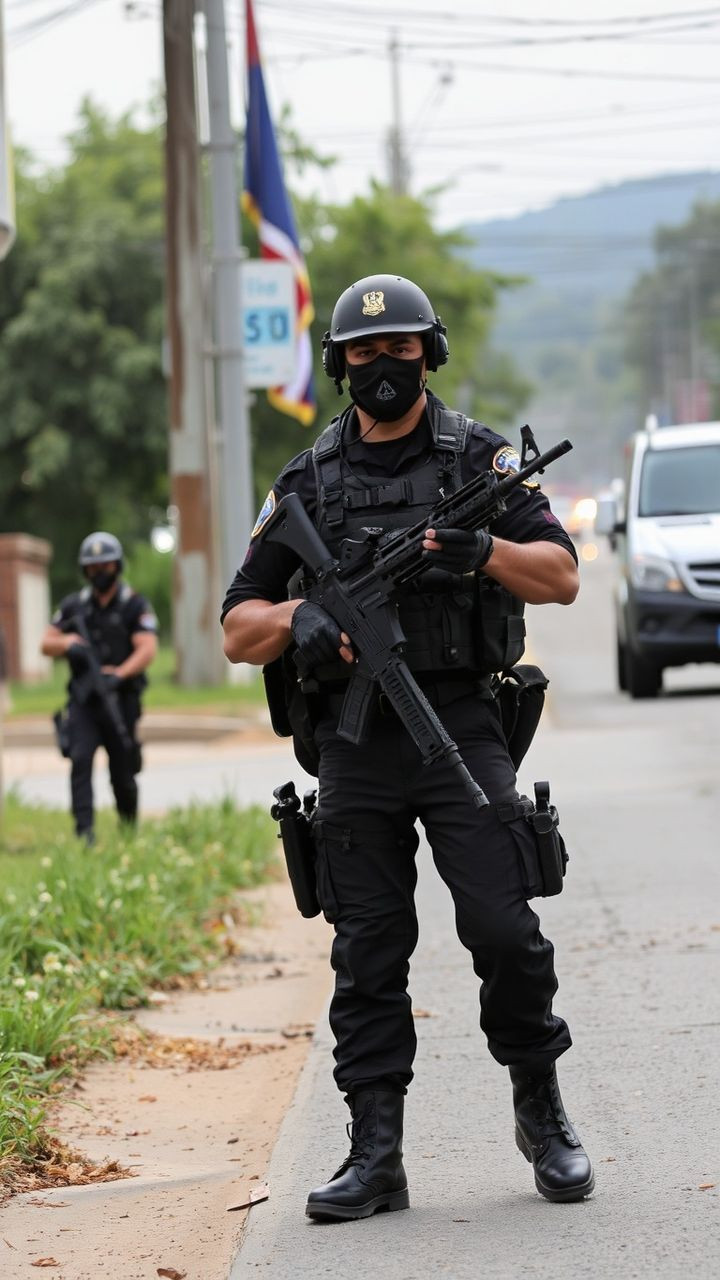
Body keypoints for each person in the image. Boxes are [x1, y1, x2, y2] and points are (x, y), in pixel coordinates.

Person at [221, 274, 594, 1221]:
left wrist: (485, 553)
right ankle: (375, 1152)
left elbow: (561, 575)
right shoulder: (307, 482)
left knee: (504, 924)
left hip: (460, 723)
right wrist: (300, 618)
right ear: (339, 364)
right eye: (363, 351)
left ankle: (541, 1111)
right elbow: (235, 626)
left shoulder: (478, 460)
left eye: (399, 349)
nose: (381, 364)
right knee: (368, 947)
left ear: (429, 353)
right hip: (353, 743)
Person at [41, 531, 158, 844]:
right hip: (84, 702)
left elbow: (147, 648)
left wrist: (119, 674)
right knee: (80, 760)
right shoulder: (73, 606)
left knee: (122, 770)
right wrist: (67, 643)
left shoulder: (133, 604)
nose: (99, 572)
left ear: (117, 566)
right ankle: (85, 835)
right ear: (85, 570)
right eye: (93, 567)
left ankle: (128, 827)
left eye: (105, 566)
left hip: (120, 700)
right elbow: (46, 643)